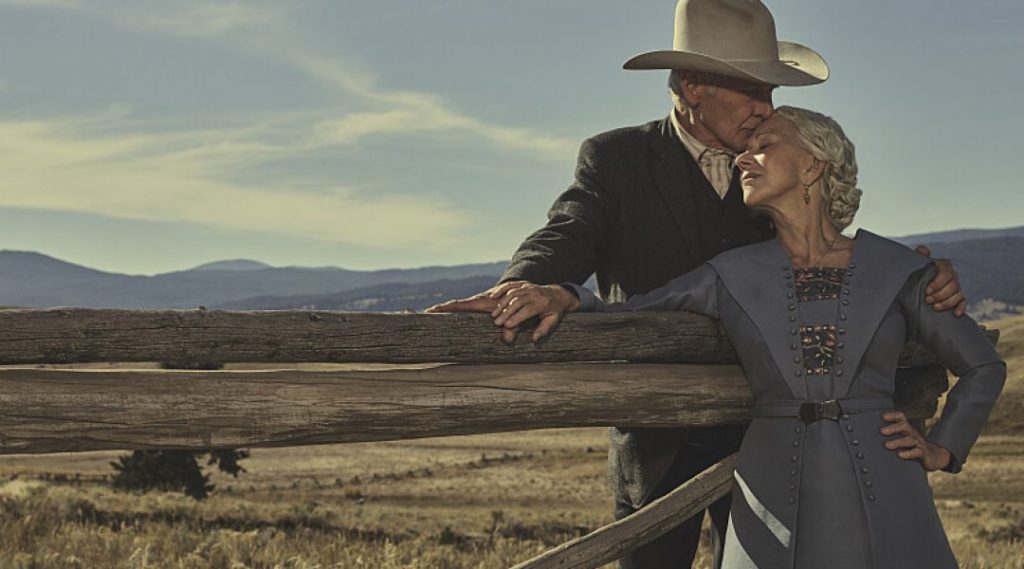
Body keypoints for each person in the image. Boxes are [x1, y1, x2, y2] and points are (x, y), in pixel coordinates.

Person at [428, 1, 966, 567]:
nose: (766, 109)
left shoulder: (772, 166)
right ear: (693, 86)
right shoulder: (618, 159)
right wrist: (528, 284)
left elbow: (827, 250)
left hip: (772, 437)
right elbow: (569, 231)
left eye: (771, 94)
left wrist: (921, 274)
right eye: (751, 91)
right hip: (657, 435)